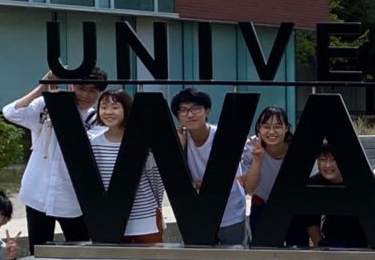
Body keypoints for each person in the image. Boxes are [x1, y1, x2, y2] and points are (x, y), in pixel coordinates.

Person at [3, 69, 106, 249]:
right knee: (38, 251)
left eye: (93, 90)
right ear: (71, 86)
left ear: (99, 93)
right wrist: (42, 88)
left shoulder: (96, 120)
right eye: (82, 88)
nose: (86, 95)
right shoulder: (46, 105)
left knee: (80, 253)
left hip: (73, 199)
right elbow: (11, 113)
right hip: (37, 193)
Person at [173, 88, 249, 246]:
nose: (190, 114)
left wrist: (199, 183)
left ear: (207, 111)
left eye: (195, 108)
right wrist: (178, 148)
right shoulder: (179, 140)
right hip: (198, 214)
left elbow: (229, 177)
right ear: (178, 116)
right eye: (184, 110)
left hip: (230, 211)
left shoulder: (224, 136)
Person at [90, 90, 165, 244]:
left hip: (145, 217)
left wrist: (157, 208)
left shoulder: (143, 142)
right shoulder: (94, 144)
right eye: (104, 107)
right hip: (112, 219)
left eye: (115, 107)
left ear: (127, 109)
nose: (109, 112)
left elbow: (156, 178)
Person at [240, 106, 307, 248]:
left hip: (293, 207)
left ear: (287, 128)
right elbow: (249, 188)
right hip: (262, 206)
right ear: (258, 128)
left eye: (277, 126)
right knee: (262, 252)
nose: (271, 132)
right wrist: (257, 160)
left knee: (298, 252)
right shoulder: (251, 147)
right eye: (266, 126)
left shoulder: (298, 147)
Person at [303, 141, 367, 249]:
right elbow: (311, 221)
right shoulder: (313, 184)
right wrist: (321, 248)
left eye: (334, 159)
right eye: (322, 160)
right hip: (330, 242)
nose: (328, 165)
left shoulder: (362, 182)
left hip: (361, 243)